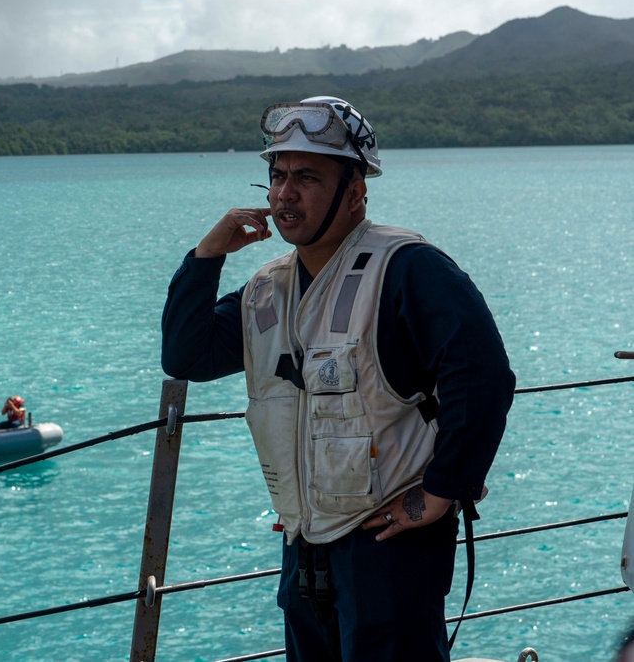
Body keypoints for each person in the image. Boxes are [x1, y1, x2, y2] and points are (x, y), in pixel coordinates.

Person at [160, 96, 516, 662]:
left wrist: (441, 493)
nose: (284, 194)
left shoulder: (408, 268)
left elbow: (485, 376)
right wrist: (207, 256)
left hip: (388, 550)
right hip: (305, 548)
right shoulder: (266, 291)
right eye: (276, 176)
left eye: (306, 177)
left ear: (355, 193)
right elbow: (186, 355)